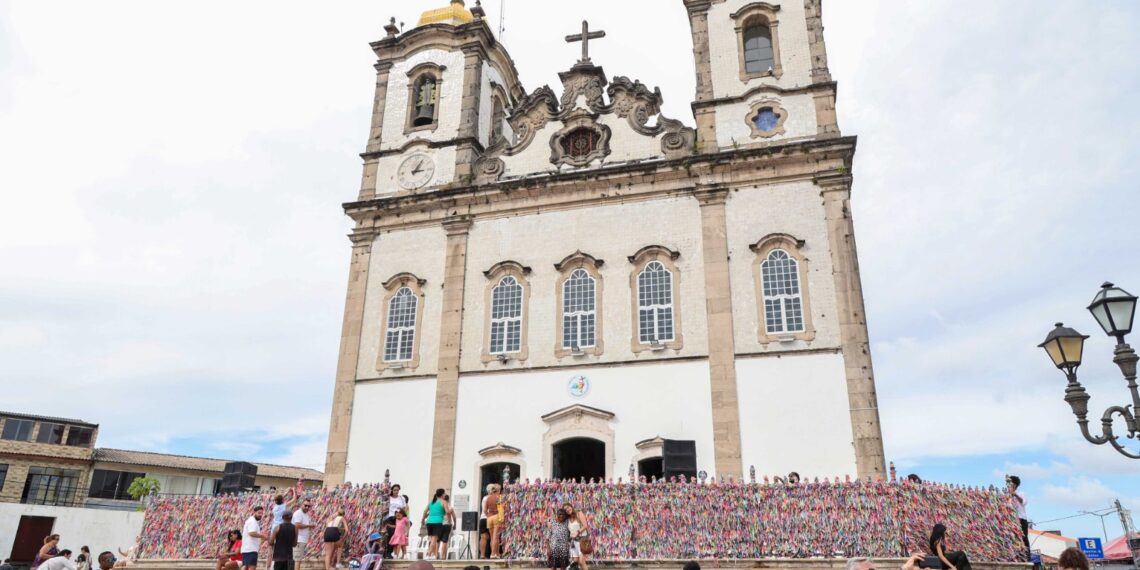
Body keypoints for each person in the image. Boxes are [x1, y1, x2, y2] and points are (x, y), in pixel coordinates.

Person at [421, 489, 449, 560]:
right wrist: (448, 519)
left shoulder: (431, 502)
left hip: (429, 522)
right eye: (444, 494)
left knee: (432, 539)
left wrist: (422, 520)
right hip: (437, 522)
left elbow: (425, 511)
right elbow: (447, 512)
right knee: (434, 540)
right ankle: (429, 555)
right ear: (442, 494)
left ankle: (432, 554)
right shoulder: (444, 502)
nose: (445, 495)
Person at [1007, 476, 1029, 561]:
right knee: (1013, 540)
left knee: (1024, 539)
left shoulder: (1021, 493)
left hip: (1021, 519)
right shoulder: (1008, 496)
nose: (1008, 486)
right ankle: (1015, 557)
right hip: (1012, 520)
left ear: (1014, 485)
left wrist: (1014, 495)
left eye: (1009, 484)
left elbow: (1023, 502)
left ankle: (1026, 557)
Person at [563, 503, 589, 570]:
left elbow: (585, 525)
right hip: (573, 542)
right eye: (565, 510)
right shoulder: (568, 519)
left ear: (571, 506)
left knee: (581, 562)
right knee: (575, 563)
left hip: (582, 540)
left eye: (568, 507)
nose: (567, 510)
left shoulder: (579, 513)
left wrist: (577, 532)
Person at [242, 506, 269, 570]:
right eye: (259, 513)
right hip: (251, 549)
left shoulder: (251, 521)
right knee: (252, 567)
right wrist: (263, 536)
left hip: (247, 548)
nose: (260, 515)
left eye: (262, 513)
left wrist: (262, 539)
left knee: (245, 567)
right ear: (254, 512)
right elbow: (251, 533)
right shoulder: (252, 521)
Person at [292, 498, 316, 568]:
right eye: (305, 505)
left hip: (302, 540)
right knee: (297, 560)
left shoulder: (305, 514)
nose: (307, 507)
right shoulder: (298, 513)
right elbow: (297, 525)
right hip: (298, 540)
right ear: (301, 505)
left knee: (298, 560)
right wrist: (309, 525)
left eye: (309, 506)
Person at [485, 484, 504, 559]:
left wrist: (488, 515)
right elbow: (501, 509)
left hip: (489, 517)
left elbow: (485, 510)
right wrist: (501, 518)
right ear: (498, 490)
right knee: (496, 537)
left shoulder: (488, 498)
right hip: (496, 516)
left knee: (492, 537)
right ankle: (493, 554)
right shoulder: (498, 497)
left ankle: (496, 553)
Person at [437, 494, 457, 559]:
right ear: (448, 499)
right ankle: (443, 556)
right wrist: (455, 525)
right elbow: (454, 517)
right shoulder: (450, 507)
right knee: (445, 541)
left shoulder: (439, 506)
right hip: (447, 525)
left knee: (438, 541)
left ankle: (436, 555)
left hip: (439, 524)